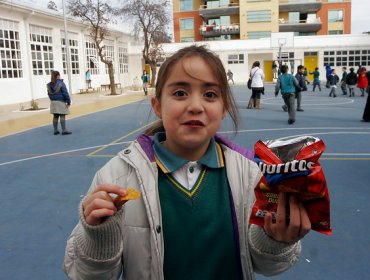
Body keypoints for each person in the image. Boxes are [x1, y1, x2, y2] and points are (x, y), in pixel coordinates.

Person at [63, 45, 310, 279]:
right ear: (158, 106)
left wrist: (275, 240)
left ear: (224, 109)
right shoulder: (116, 177)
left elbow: (266, 265)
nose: (195, 106)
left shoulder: (250, 175)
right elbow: (84, 274)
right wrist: (98, 238)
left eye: (210, 95)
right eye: (180, 93)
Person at [47, 71, 72, 135]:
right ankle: (64, 130)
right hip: (61, 101)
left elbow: (49, 94)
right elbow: (65, 93)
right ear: (58, 76)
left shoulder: (49, 85)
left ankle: (55, 130)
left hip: (53, 102)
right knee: (62, 116)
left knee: (55, 116)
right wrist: (68, 102)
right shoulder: (61, 83)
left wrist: (52, 100)